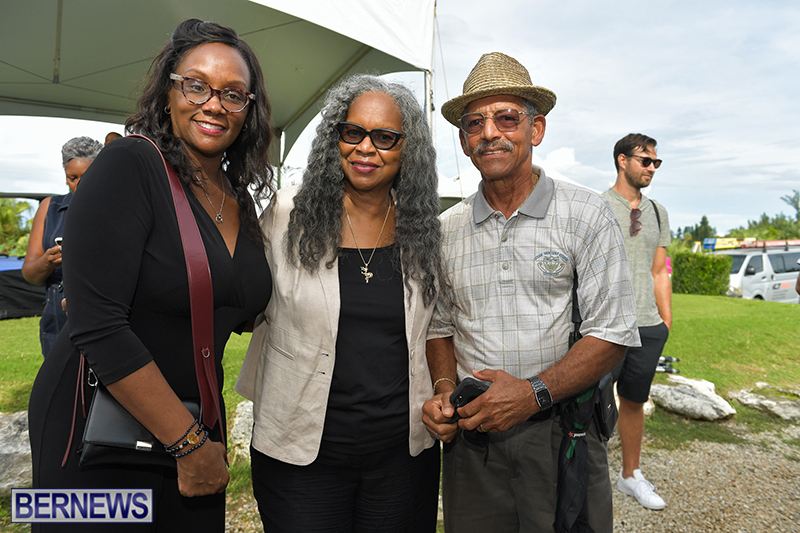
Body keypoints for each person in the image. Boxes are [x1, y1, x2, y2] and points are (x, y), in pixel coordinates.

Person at [27, 19, 274, 532]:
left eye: (233, 94)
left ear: (248, 111)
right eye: (196, 85)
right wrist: (186, 443)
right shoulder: (127, 165)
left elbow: (230, 302)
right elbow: (98, 324)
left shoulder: (237, 197)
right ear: (168, 93)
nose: (213, 104)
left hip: (195, 420)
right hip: (95, 428)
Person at [421, 52, 641, 533]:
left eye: (506, 118)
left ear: (536, 129)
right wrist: (442, 390)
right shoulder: (445, 230)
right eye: (474, 123)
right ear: (463, 140)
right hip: (472, 437)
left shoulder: (585, 213)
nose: (490, 133)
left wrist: (531, 395)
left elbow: (613, 332)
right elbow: (438, 327)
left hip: (563, 431)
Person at [236, 73, 447, 532]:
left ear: (407, 149)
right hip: (299, 454)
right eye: (353, 133)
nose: (365, 148)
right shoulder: (284, 215)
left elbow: (437, 329)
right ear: (335, 138)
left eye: (385, 137)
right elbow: (238, 301)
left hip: (401, 459)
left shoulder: (424, 230)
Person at [603, 133, 671, 510]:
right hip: (606, 326)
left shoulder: (659, 211)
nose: (651, 168)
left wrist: (665, 320)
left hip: (648, 325)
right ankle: (585, 473)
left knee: (633, 401)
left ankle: (630, 475)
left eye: (655, 163)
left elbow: (659, 270)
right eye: (645, 160)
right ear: (622, 160)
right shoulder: (596, 206)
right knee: (592, 402)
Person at [22, 136, 102, 356]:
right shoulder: (50, 207)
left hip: (102, 311)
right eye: (73, 178)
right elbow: (29, 274)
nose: (80, 185)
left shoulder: (115, 207)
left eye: (88, 176)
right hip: (57, 316)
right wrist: (47, 261)